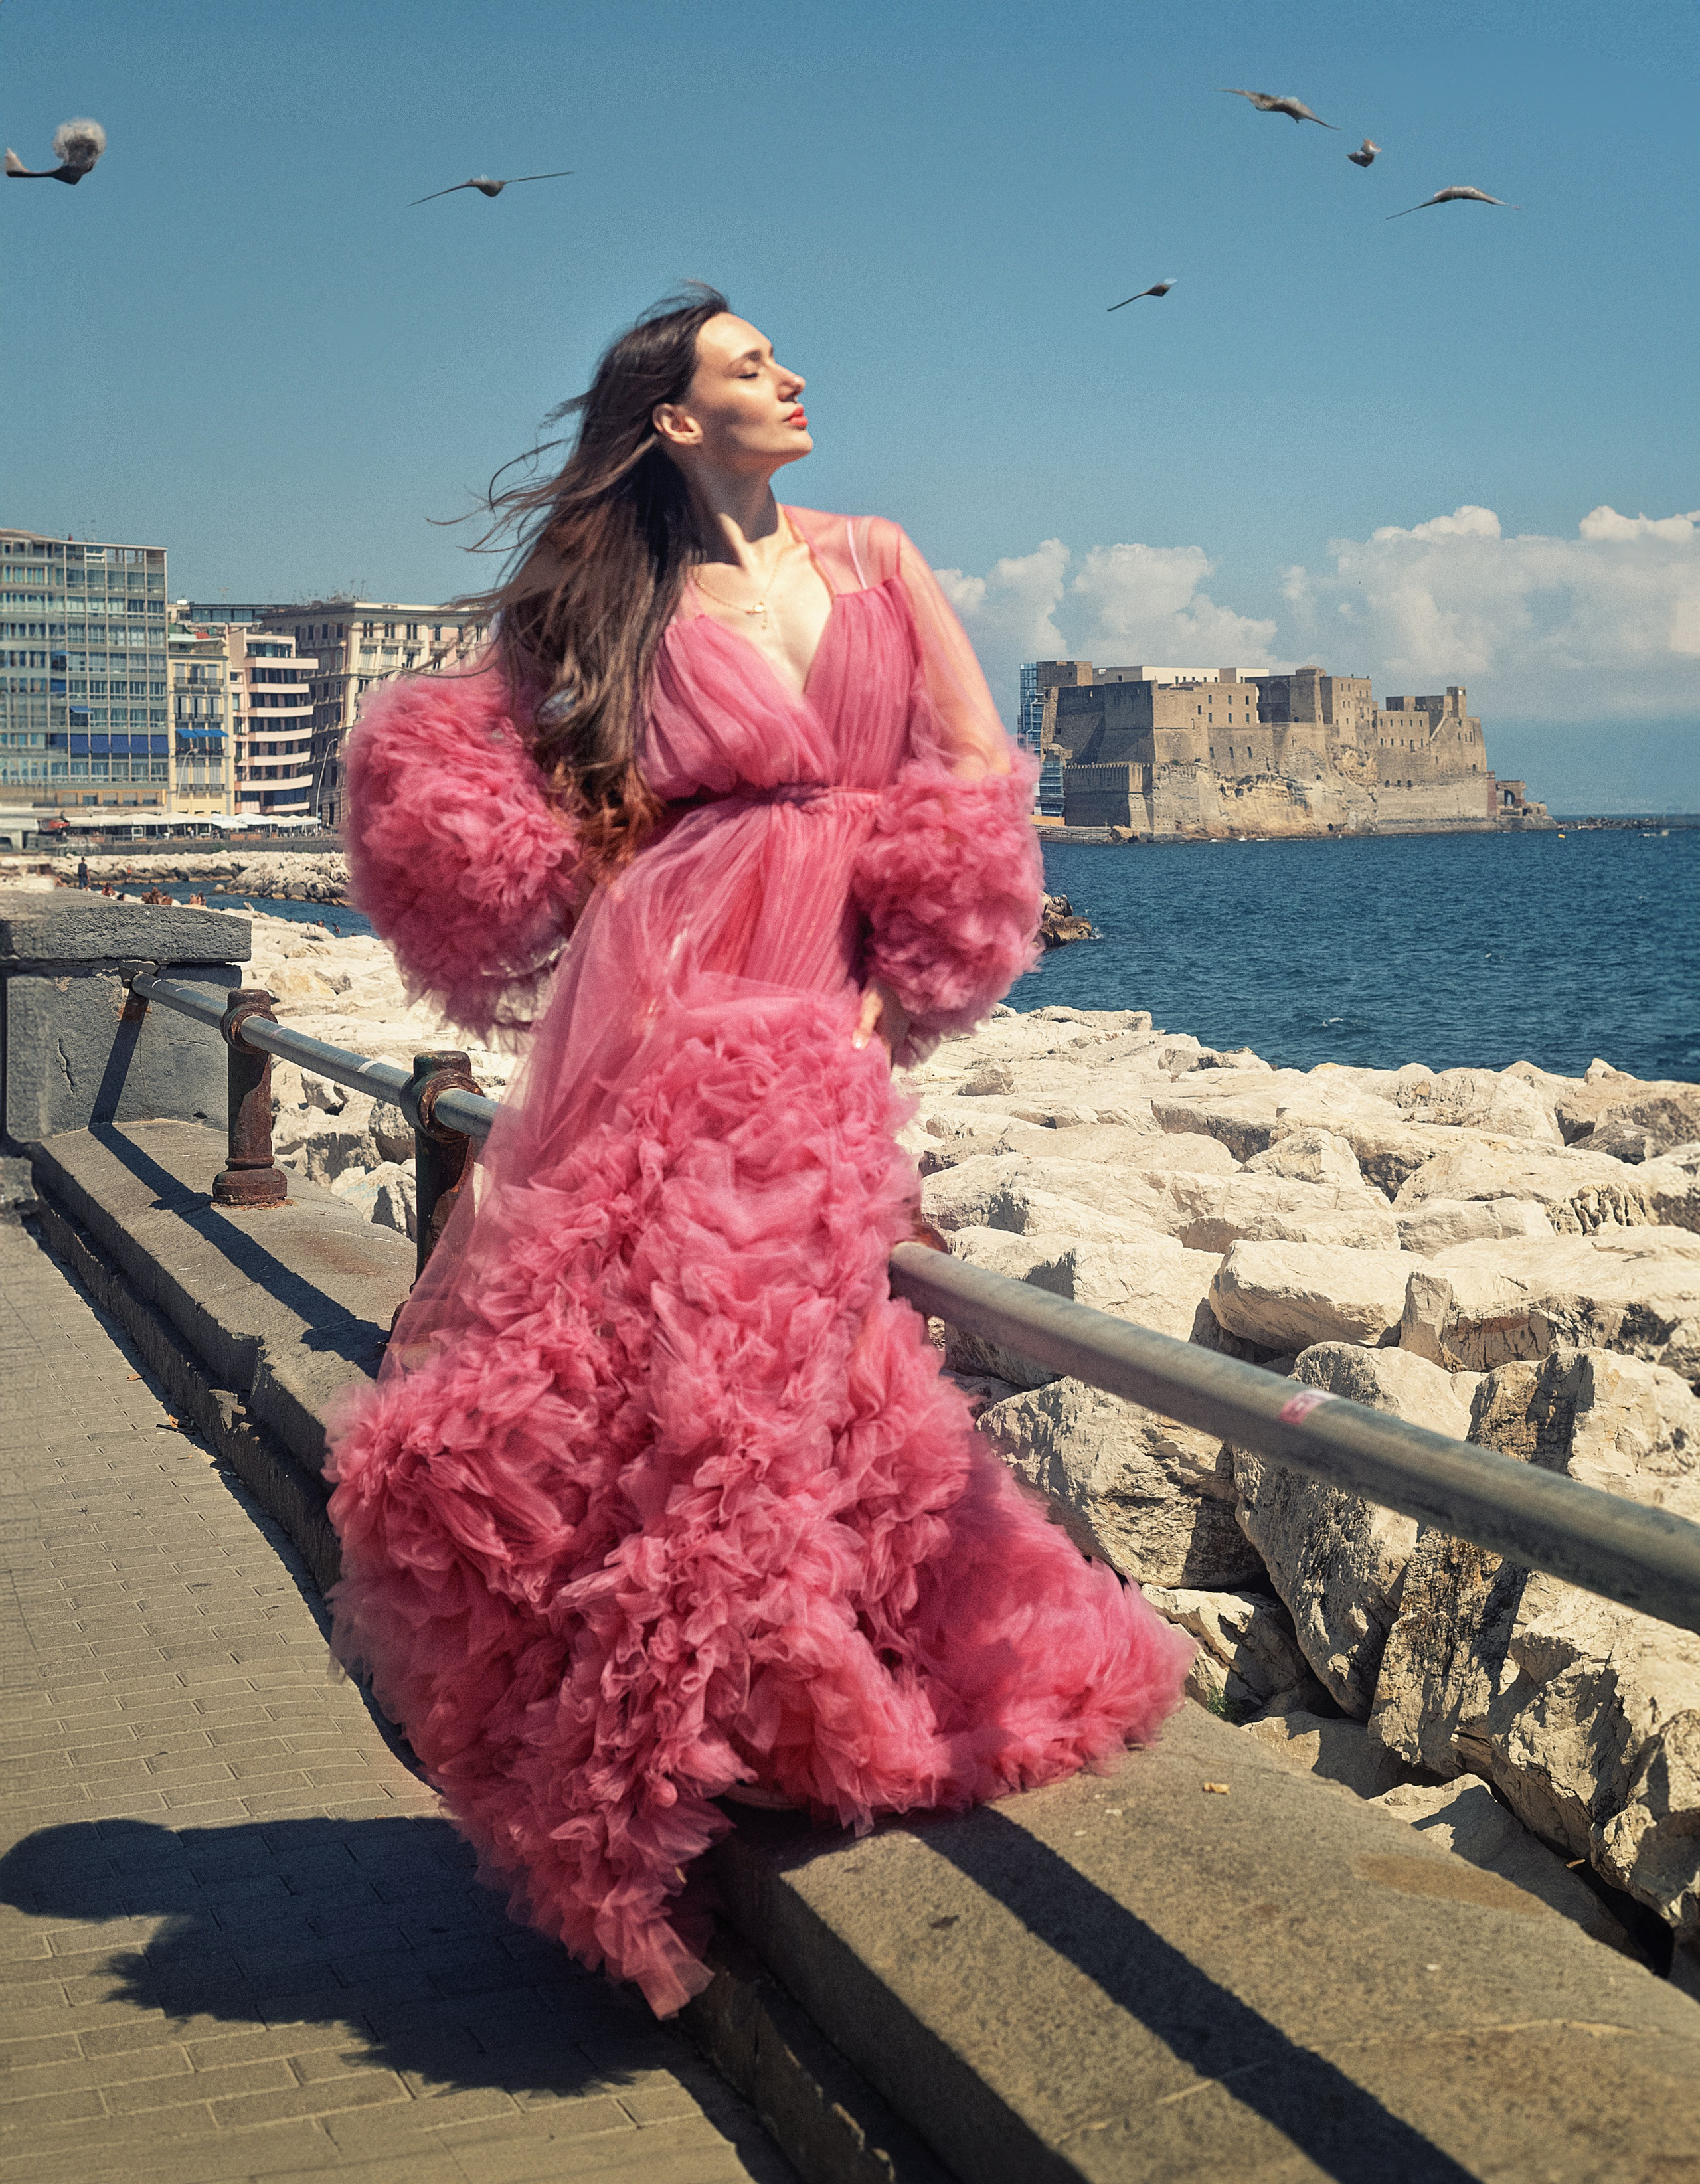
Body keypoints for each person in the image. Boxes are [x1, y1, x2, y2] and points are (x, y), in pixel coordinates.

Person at [325, 288, 1191, 2017]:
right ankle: (609, 1811)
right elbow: (499, 774)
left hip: (820, 1003)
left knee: (789, 1369)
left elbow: (964, 775)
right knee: (637, 1377)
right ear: (672, 419)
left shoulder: (876, 558)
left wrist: (888, 1004)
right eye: (748, 365)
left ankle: (749, 1727)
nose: (793, 376)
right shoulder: (616, 601)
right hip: (658, 992)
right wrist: (529, 860)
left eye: (782, 357)